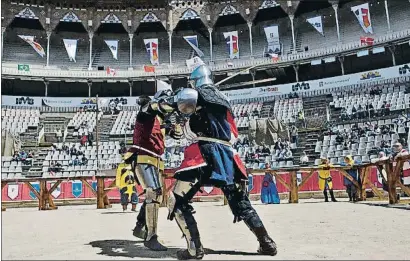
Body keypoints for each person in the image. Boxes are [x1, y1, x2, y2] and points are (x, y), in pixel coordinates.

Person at [167, 65, 277, 260]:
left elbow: (186, 122)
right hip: (227, 156)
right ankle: (266, 242)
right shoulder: (224, 102)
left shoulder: (194, 94)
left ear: (195, 82)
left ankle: (194, 249)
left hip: (203, 155)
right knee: (240, 201)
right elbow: (234, 134)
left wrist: (176, 121)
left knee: (176, 199)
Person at [124, 83, 183, 251]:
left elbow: (177, 135)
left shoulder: (160, 120)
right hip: (143, 157)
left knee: (154, 194)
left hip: (155, 160)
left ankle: (140, 226)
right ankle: (151, 237)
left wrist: (177, 121)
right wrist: (171, 102)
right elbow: (152, 105)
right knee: (154, 192)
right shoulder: (146, 112)